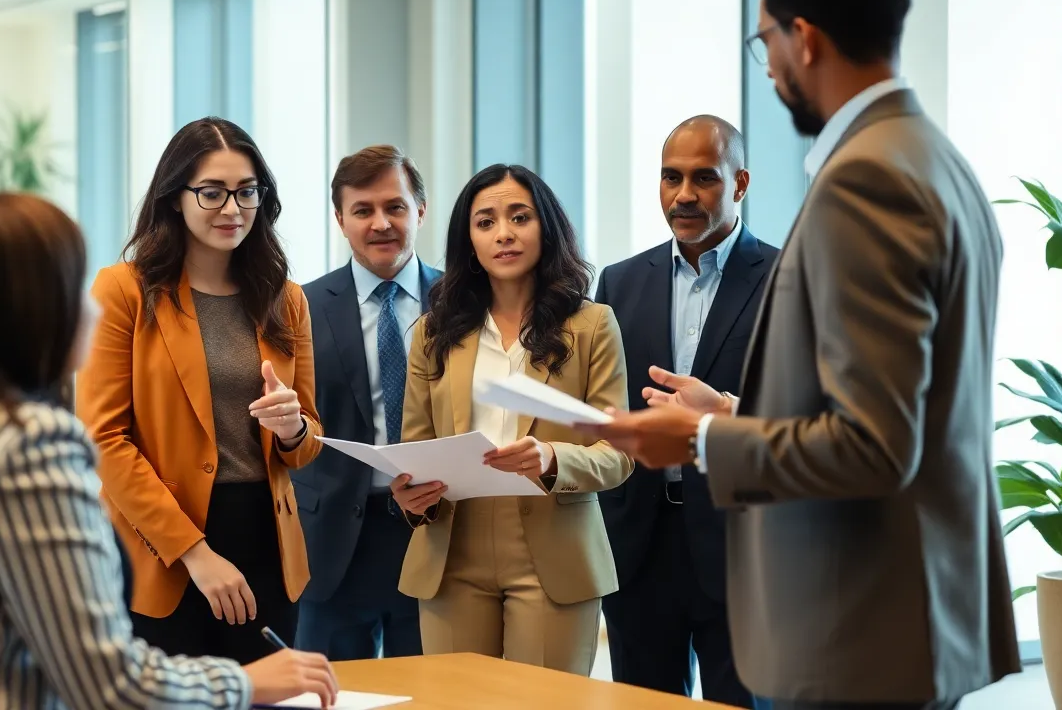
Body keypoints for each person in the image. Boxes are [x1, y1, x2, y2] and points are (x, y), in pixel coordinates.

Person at [580, 0, 1021, 710]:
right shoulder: (936, 159)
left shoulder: (866, 181)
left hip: (860, 620)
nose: (773, 66)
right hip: (915, 609)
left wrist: (701, 436)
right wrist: (735, 410)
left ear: (803, 38)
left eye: (767, 43)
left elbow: (876, 443)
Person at [0, 194, 338, 709]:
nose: (92, 304)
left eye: (248, 191)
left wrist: (291, 429)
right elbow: (109, 683)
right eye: (74, 284)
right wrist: (250, 683)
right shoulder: (29, 448)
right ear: (29, 309)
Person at [77, 117, 325, 664]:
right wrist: (194, 552)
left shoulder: (285, 299)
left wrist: (294, 428)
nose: (232, 209)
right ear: (174, 198)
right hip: (160, 546)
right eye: (211, 193)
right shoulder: (124, 291)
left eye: (246, 192)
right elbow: (103, 440)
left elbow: (307, 443)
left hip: (267, 544)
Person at [391, 164, 632, 675]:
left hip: (554, 549)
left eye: (519, 217)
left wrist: (551, 458)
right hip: (451, 549)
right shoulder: (434, 332)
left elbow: (619, 454)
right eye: (485, 222)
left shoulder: (592, 325)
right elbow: (414, 447)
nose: (503, 233)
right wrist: (411, 497)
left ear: (545, 226)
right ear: (469, 240)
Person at [596, 115, 776, 707]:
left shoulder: (789, 278)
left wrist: (725, 411)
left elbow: (805, 414)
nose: (684, 195)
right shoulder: (619, 284)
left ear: (740, 183)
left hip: (742, 544)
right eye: (671, 178)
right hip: (641, 545)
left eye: (705, 179)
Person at [294, 145, 441, 659]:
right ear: (340, 219)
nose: (381, 224)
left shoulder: (463, 302)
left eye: (395, 207)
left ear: (420, 210)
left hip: (434, 530)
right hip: (331, 540)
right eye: (363, 210)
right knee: (332, 692)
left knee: (430, 695)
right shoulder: (299, 307)